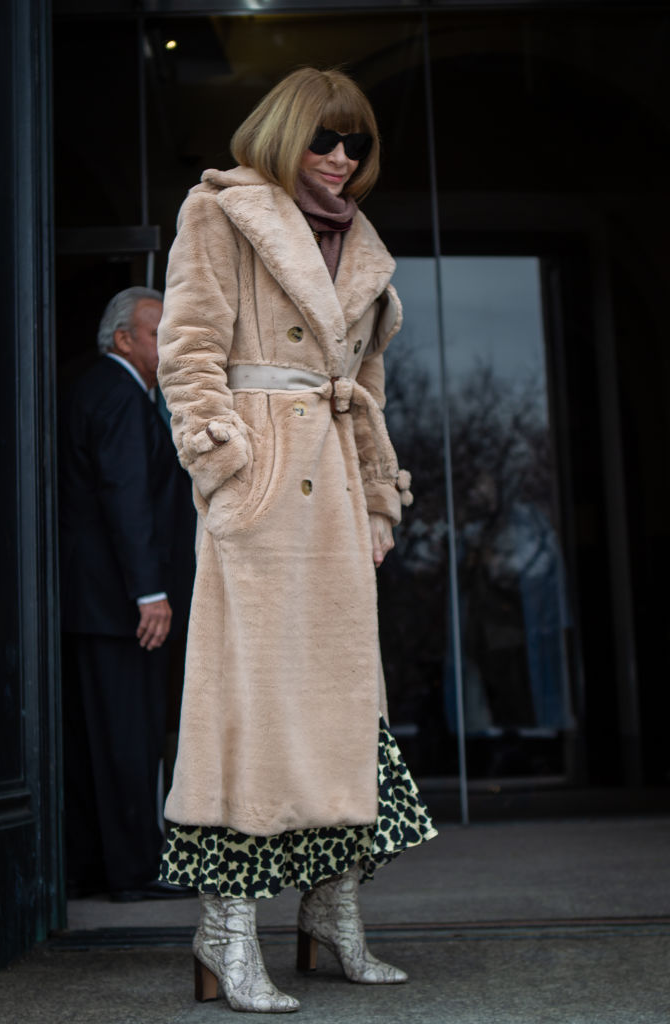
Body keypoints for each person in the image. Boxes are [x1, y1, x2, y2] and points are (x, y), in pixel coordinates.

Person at [157, 68, 437, 1013]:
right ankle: (225, 933)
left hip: (335, 501)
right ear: (284, 138)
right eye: (325, 140)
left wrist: (375, 507)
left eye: (356, 145)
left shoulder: (362, 248)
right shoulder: (221, 213)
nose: (342, 160)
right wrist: (224, 464)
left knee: (347, 717)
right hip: (265, 491)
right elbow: (188, 347)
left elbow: (368, 391)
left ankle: (331, 916)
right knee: (251, 719)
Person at [59, 286, 195, 902]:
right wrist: (150, 593)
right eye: (158, 333)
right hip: (121, 609)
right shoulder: (120, 396)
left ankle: (98, 867)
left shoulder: (104, 391)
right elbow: (126, 499)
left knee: (101, 741)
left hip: (99, 606)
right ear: (123, 340)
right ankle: (134, 870)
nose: (168, 346)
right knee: (126, 740)